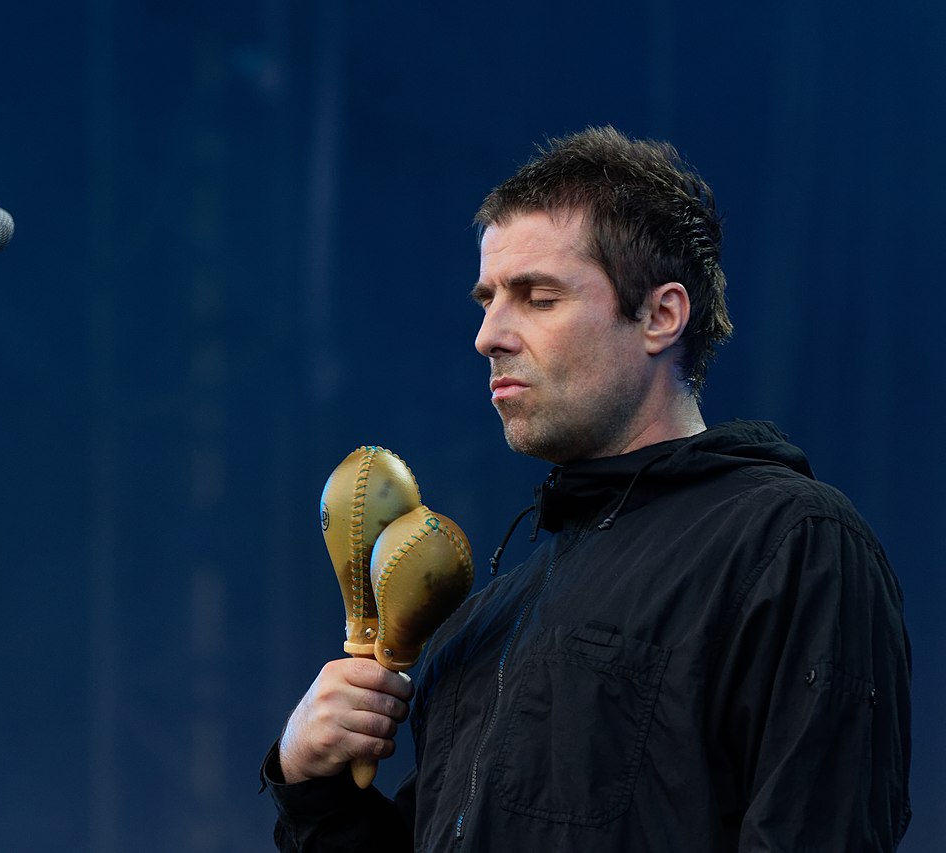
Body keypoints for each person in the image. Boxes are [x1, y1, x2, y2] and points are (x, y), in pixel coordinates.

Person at [261, 126, 912, 851]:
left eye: (536, 296)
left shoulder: (790, 541)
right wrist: (309, 781)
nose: (489, 334)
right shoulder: (492, 614)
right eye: (486, 299)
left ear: (661, 316)